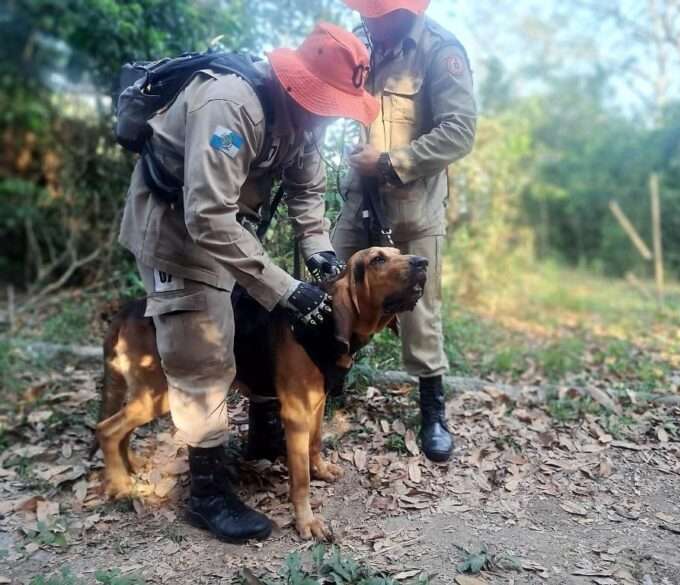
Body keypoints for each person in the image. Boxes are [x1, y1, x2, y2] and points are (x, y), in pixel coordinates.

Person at [117, 23, 379, 542]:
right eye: (322, 103)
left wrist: (323, 259)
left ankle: (263, 436)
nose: (326, 116)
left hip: (225, 229)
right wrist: (286, 287)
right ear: (295, 85)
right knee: (203, 351)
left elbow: (306, 199)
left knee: (258, 324)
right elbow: (207, 216)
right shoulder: (229, 105)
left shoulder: (305, 125)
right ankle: (207, 493)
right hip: (175, 227)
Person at [332, 0, 477, 462]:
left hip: (412, 207)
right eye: (368, 14)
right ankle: (330, 378)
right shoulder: (359, 41)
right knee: (330, 286)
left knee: (420, 309)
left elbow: (459, 131)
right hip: (359, 201)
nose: (373, 24)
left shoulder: (440, 51)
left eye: (382, 17)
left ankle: (432, 410)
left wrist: (394, 162)